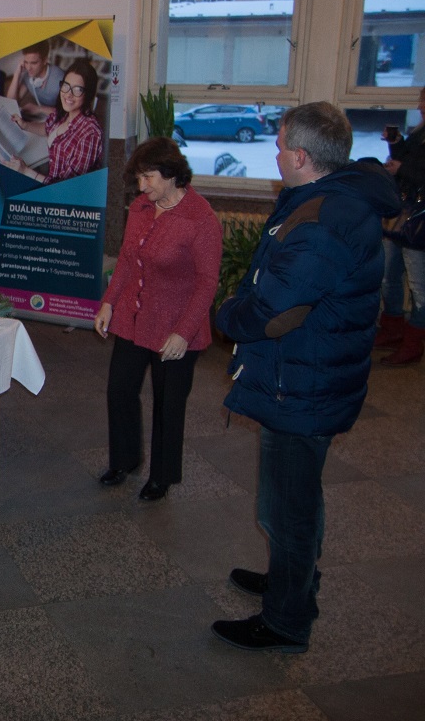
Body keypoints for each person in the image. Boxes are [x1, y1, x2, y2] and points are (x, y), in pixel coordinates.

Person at [212, 102, 399, 653]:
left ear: (300, 156)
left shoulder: (323, 221)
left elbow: (274, 310)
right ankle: (292, 579)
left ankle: (286, 620)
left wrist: (225, 315)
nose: (274, 155)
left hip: (301, 385)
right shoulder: (334, 200)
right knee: (297, 499)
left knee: (285, 511)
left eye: (279, 146)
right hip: (309, 375)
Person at [93, 137, 222, 501]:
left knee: (168, 403)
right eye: (138, 177)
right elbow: (126, 259)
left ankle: (161, 477)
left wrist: (184, 332)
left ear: (171, 174)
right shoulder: (141, 208)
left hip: (177, 326)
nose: (141, 186)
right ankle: (125, 459)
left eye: (148, 177)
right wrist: (108, 303)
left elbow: (207, 283)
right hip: (134, 316)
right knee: (120, 389)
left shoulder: (201, 219)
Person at [374, 85, 425, 365]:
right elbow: (408, 158)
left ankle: (413, 342)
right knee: (388, 274)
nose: (420, 107)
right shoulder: (420, 132)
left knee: (419, 286)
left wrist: (401, 169)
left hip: (420, 221)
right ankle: (392, 328)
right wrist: (395, 142)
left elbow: (415, 170)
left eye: (424, 102)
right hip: (402, 214)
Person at [8, 59, 103, 184]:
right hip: (49, 185)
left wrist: (25, 171)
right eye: (66, 86)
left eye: (77, 89)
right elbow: (47, 128)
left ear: (88, 94)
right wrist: (25, 125)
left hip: (62, 194)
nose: (68, 94)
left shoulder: (90, 133)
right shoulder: (64, 113)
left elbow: (66, 186)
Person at [6, 39, 65, 119]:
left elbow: (69, 113)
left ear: (45, 60)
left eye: (33, 63)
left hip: (59, 121)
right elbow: (10, 103)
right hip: (43, 119)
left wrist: (39, 109)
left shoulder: (60, 78)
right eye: (26, 62)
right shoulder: (28, 76)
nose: (28, 68)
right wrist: (17, 73)